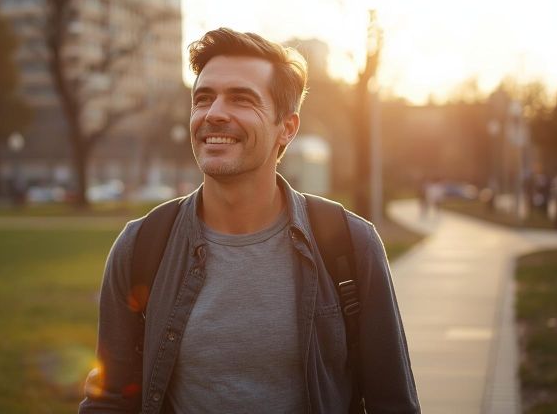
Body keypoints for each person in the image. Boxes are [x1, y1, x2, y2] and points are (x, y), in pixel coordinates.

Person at [79, 28, 419, 414]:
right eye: (203, 98)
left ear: (286, 128)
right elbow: (109, 400)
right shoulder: (142, 245)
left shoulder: (349, 244)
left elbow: (392, 401)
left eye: (241, 99)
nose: (214, 113)